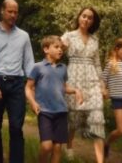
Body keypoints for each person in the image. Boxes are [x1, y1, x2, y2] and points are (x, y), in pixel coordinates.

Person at [0, 0, 35, 163]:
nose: (13, 15)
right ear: (2, 11)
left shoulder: (24, 36)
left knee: (16, 127)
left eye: (16, 12)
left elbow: (29, 64)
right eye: (10, 11)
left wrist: (32, 87)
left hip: (17, 84)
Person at [25, 35, 83, 163]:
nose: (60, 50)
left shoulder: (63, 68)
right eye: (56, 47)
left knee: (57, 148)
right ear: (46, 49)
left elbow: (64, 87)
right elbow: (28, 88)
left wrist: (76, 91)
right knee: (47, 146)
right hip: (45, 112)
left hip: (61, 112)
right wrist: (33, 102)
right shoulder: (37, 67)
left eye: (61, 47)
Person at [61, 7, 107, 163]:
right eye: (84, 16)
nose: (86, 19)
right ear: (79, 17)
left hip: (93, 81)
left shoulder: (95, 40)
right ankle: (69, 146)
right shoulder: (68, 36)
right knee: (73, 118)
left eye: (90, 18)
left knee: (97, 118)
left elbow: (98, 64)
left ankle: (100, 161)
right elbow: (56, 51)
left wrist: (102, 85)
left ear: (93, 21)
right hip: (74, 80)